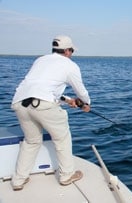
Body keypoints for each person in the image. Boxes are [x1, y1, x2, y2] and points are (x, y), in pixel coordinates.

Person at [11, 35, 91, 191]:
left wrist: (67, 100)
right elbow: (81, 92)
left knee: (31, 141)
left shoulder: (40, 60)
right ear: (68, 51)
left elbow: (40, 88)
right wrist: (86, 104)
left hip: (20, 103)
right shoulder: (70, 65)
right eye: (72, 50)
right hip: (43, 105)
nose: (72, 53)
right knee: (62, 138)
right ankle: (67, 175)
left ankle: (18, 180)